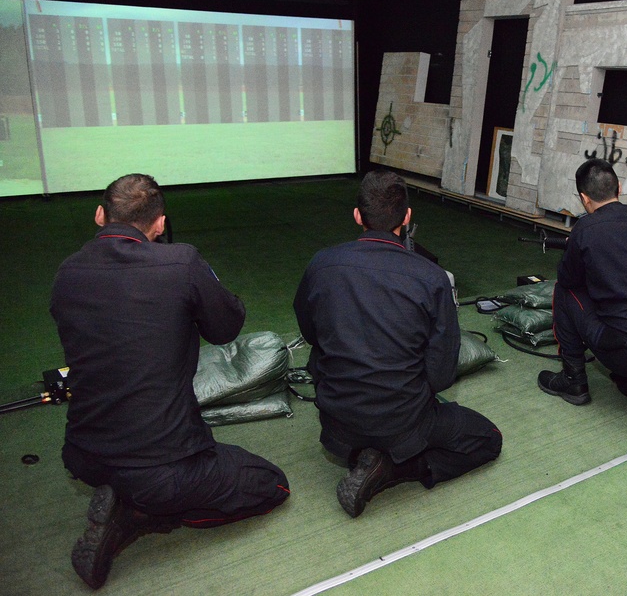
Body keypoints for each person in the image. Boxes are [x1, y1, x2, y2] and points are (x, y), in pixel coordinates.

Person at [51, 174, 289, 589]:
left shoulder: (67, 272)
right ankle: (141, 512)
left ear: (100, 215)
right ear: (160, 224)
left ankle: (126, 494)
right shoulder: (181, 263)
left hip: (84, 454)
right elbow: (226, 328)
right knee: (272, 483)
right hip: (163, 466)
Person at [293, 169, 502, 518]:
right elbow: (441, 374)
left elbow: (310, 334)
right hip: (402, 421)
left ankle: (367, 456)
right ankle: (394, 469)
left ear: (358, 216)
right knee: (488, 438)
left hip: (337, 419)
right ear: (407, 218)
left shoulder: (321, 265)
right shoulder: (431, 278)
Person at [537, 158, 627, 439]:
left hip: (626, 351)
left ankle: (574, 381)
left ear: (584, 198)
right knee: (622, 382)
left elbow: (571, 280)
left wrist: (577, 250)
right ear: (619, 187)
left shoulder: (585, 229)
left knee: (565, 291)